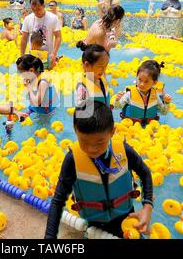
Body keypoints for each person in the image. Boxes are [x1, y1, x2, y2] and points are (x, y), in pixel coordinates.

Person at [44, 101, 154, 239]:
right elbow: (58, 200)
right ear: (75, 130)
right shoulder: (72, 160)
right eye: (84, 141)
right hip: (93, 224)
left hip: (126, 218)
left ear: (112, 132)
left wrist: (147, 206)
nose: (91, 149)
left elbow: (145, 173)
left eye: (100, 142)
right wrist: (49, 237)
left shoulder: (124, 151)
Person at [114, 60, 172, 126]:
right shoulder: (129, 94)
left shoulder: (155, 95)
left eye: (146, 81)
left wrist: (167, 103)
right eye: (139, 79)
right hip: (131, 127)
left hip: (149, 126)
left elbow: (163, 112)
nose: (142, 84)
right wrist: (117, 100)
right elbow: (117, 107)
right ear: (136, 77)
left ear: (154, 82)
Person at [20, 0, 62, 68]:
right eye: (33, 10)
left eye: (38, 9)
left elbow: (58, 37)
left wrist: (54, 53)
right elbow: (24, 39)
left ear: (43, 6)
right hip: (33, 54)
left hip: (48, 54)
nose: (36, 12)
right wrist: (22, 55)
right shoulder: (27, 19)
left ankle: (56, 58)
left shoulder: (53, 18)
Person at [75, 42, 110, 108]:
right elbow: (82, 113)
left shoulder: (102, 81)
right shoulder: (82, 88)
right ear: (87, 65)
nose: (103, 70)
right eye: (100, 66)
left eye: (105, 66)